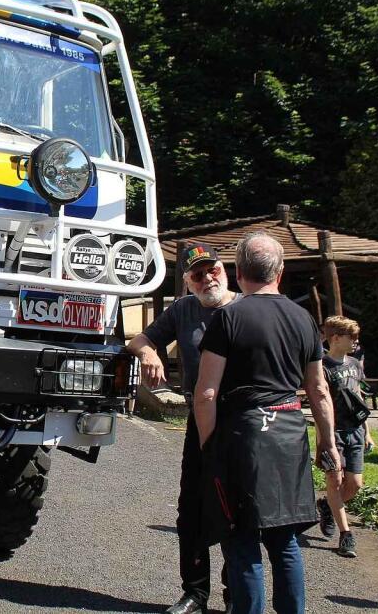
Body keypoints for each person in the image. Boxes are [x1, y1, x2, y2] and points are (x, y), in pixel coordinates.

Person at [194, 232, 342, 614]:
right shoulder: (305, 319)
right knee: (285, 541)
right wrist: (329, 442)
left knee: (241, 538)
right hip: (290, 432)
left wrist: (208, 447)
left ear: (239, 272)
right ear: (280, 271)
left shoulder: (228, 317)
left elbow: (207, 392)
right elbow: (319, 390)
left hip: (243, 435)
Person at [127, 242, 239, 614]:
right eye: (198, 274)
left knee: (237, 509)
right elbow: (139, 339)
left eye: (213, 270)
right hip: (199, 419)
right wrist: (149, 352)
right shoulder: (184, 309)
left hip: (242, 423)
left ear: (226, 270)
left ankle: (235, 592)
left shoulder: (247, 307)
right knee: (190, 507)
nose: (208, 278)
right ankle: (195, 593)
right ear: (188, 283)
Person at [316, 316, 374, 558]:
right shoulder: (323, 367)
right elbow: (320, 404)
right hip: (334, 433)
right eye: (352, 337)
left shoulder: (354, 364)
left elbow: (358, 397)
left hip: (356, 431)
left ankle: (328, 506)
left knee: (355, 483)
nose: (356, 342)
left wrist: (368, 431)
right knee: (335, 481)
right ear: (336, 338)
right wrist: (323, 441)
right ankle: (346, 535)